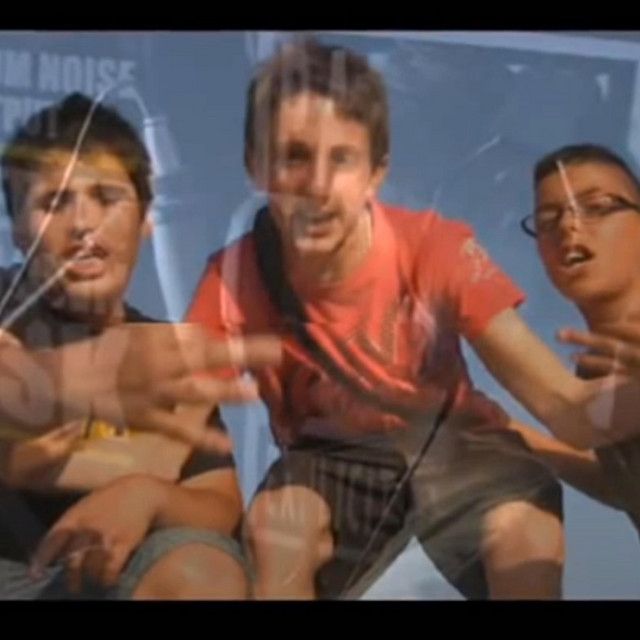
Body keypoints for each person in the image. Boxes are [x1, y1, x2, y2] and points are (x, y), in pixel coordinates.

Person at [186, 38, 640, 600]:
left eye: (342, 159)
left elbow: (569, 412)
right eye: (295, 157)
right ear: (257, 167)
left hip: (458, 450)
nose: (318, 185)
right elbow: (173, 413)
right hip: (332, 459)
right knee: (279, 526)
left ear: (375, 172)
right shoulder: (235, 273)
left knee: (523, 532)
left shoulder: (436, 247)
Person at [0, 92, 262, 599]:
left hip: (106, 578)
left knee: (204, 568)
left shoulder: (166, 353)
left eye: (107, 197)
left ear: (146, 220)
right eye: (54, 202)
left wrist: (146, 496)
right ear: (18, 231)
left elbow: (219, 501)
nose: (84, 224)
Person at [519, 142, 640, 533]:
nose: (568, 225)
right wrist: (504, 430)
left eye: (598, 206)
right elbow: (626, 488)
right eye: (548, 218)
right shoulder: (594, 372)